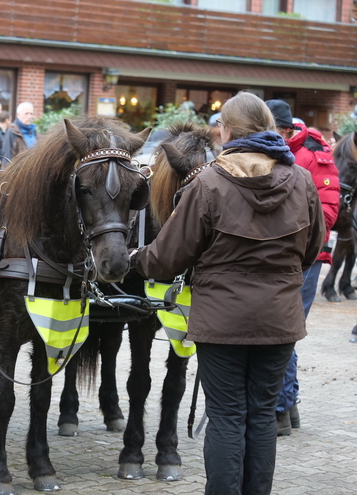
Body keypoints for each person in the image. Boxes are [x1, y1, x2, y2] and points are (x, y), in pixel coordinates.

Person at [131, 91, 325, 495]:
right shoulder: (302, 181)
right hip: (279, 321)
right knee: (260, 417)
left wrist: (136, 258)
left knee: (226, 417)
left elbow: (168, 257)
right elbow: (311, 249)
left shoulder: (210, 183)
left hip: (223, 324)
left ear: (229, 130)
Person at [265, 99, 340, 435]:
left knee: (284, 332)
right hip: (278, 256)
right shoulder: (274, 152)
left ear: (283, 129)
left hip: (303, 257)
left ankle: (281, 409)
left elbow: (327, 212)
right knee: (281, 331)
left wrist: (286, 237)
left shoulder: (312, 153)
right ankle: (287, 406)